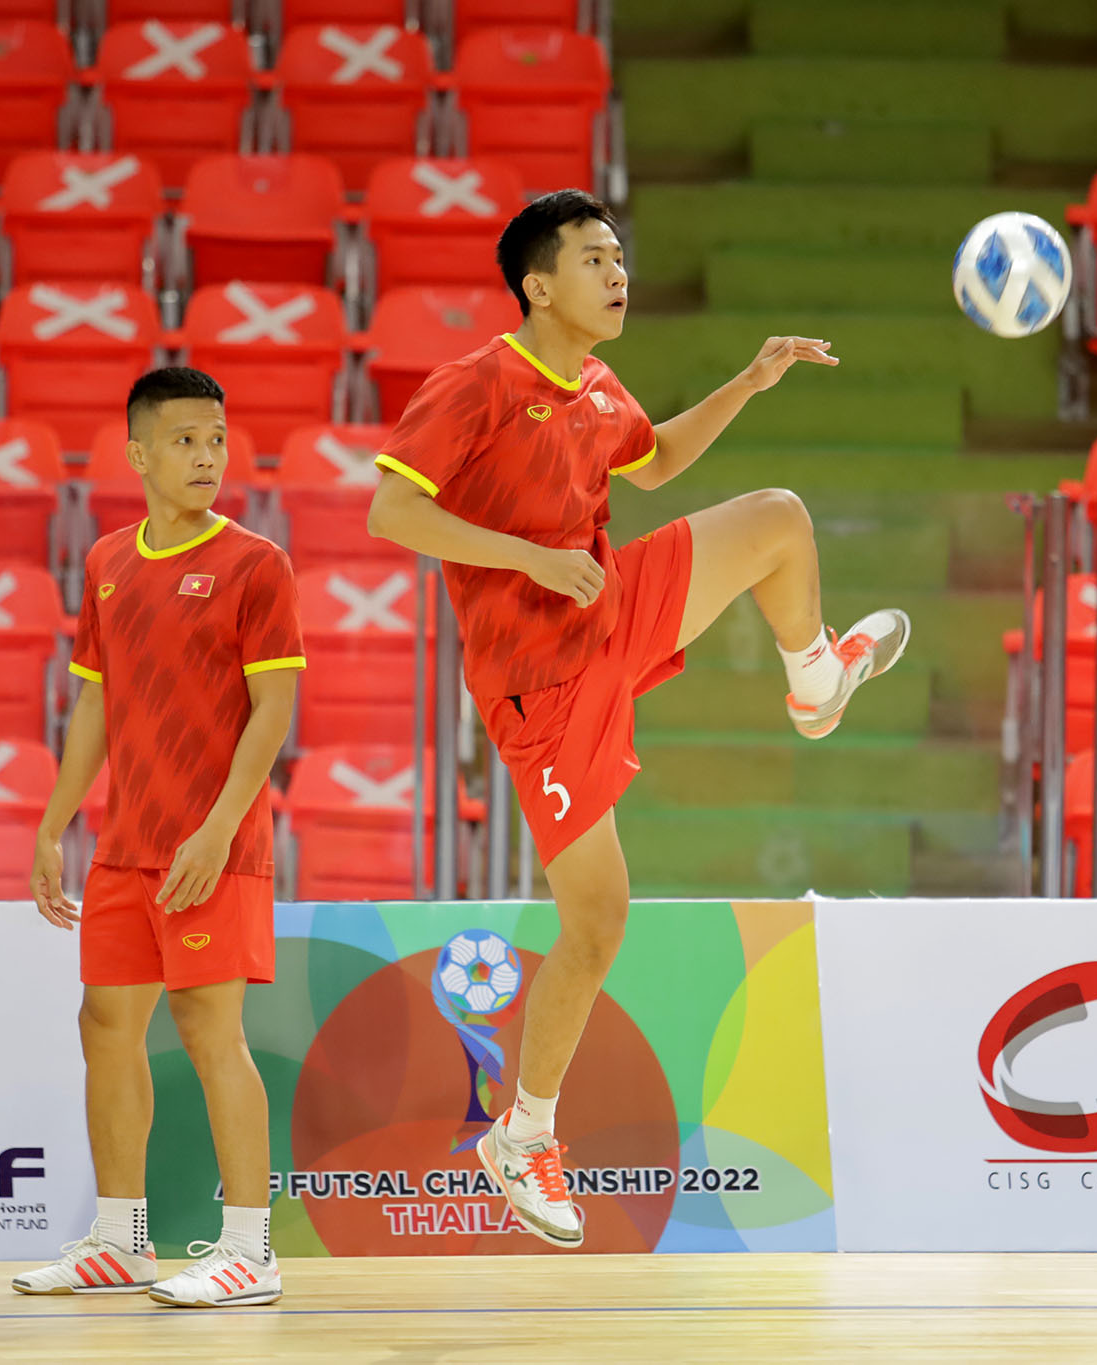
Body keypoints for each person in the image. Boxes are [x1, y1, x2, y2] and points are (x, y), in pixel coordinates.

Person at [366, 190, 910, 1248]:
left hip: (606, 607)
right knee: (598, 920)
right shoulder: (475, 384)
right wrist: (528, 558)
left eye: (619, 258)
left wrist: (747, 383)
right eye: (594, 259)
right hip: (539, 683)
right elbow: (392, 512)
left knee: (779, 522)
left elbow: (652, 460)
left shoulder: (598, 385)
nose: (617, 275)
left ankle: (814, 685)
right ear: (538, 285)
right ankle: (520, 1137)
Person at [16, 366, 304, 1307]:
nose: (207, 455)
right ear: (137, 452)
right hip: (125, 844)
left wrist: (220, 829)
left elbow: (273, 712)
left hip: (213, 845)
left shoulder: (257, 563)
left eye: (217, 438)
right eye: (185, 439)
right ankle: (119, 1238)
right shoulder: (105, 562)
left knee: (210, 1032)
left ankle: (251, 1249)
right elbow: (94, 703)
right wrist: (56, 819)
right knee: (105, 1025)